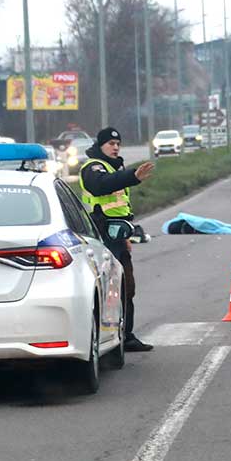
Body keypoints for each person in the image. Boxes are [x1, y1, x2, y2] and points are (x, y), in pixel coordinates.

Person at [79, 127, 155, 352]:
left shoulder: (114, 168)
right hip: (101, 239)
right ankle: (109, 337)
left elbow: (120, 208)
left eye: (118, 144)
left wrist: (126, 236)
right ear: (100, 145)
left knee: (126, 288)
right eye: (111, 144)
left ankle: (126, 335)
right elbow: (101, 185)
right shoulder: (92, 167)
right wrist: (132, 176)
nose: (115, 147)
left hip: (118, 237)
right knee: (110, 291)